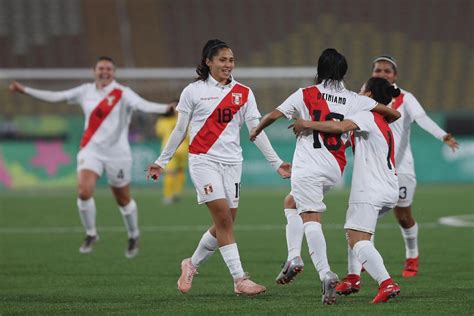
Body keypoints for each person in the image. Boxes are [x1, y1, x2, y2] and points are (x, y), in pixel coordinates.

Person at [250, 48, 400, 305]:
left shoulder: (305, 94)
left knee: (312, 219)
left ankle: (325, 272)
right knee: (292, 203)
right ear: (344, 72)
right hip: (335, 168)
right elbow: (392, 113)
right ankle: (298, 257)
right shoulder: (356, 99)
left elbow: (274, 114)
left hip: (310, 165)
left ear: (318, 70)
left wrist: (256, 130)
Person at [146, 39, 291, 296]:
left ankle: (191, 264)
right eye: (222, 59)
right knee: (223, 218)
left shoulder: (244, 93)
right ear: (208, 62)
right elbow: (180, 129)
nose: (228, 64)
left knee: (225, 223)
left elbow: (256, 131)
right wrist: (162, 161)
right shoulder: (193, 91)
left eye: (231, 60)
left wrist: (277, 163)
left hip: (233, 163)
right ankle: (240, 279)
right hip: (203, 160)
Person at [9, 56, 172, 258]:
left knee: (123, 199)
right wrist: (25, 90)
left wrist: (165, 108)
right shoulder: (84, 91)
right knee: (84, 191)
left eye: (109, 69)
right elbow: (55, 96)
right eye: (101, 68)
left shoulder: (123, 93)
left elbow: (143, 105)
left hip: (118, 153)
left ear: (114, 73)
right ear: (93, 71)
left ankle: (133, 234)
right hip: (91, 150)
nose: (104, 72)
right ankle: (91, 233)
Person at [292, 77, 402, 303]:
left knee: (358, 239)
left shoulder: (366, 116)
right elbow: (346, 138)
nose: (358, 93)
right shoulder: (381, 120)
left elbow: (339, 126)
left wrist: (307, 123)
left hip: (370, 188)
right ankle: (353, 278)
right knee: (355, 232)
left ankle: (386, 282)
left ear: (369, 95)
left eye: (362, 89)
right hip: (389, 187)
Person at [370, 55, 459, 277]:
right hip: (374, 169)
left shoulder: (406, 98)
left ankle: (412, 256)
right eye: (378, 70)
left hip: (401, 169)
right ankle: (365, 258)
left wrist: (442, 135)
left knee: (403, 215)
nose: (381, 74)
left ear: (395, 76)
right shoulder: (366, 96)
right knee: (367, 214)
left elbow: (422, 118)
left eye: (386, 71)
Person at [155, 100, 188, 205]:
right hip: (184, 149)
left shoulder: (163, 121)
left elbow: (159, 133)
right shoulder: (188, 119)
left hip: (170, 149)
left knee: (169, 173)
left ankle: (169, 196)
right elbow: (190, 135)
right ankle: (177, 193)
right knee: (180, 171)